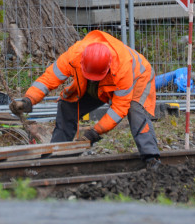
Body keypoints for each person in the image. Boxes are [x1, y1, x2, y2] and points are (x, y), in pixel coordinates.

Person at [9, 30, 161, 168]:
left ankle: (151, 158)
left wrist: (95, 132)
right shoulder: (75, 54)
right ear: (82, 63)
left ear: (107, 67)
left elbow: (119, 109)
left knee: (135, 112)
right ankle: (57, 156)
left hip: (139, 78)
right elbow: (49, 78)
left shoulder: (123, 69)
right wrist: (29, 99)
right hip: (102, 82)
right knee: (67, 104)